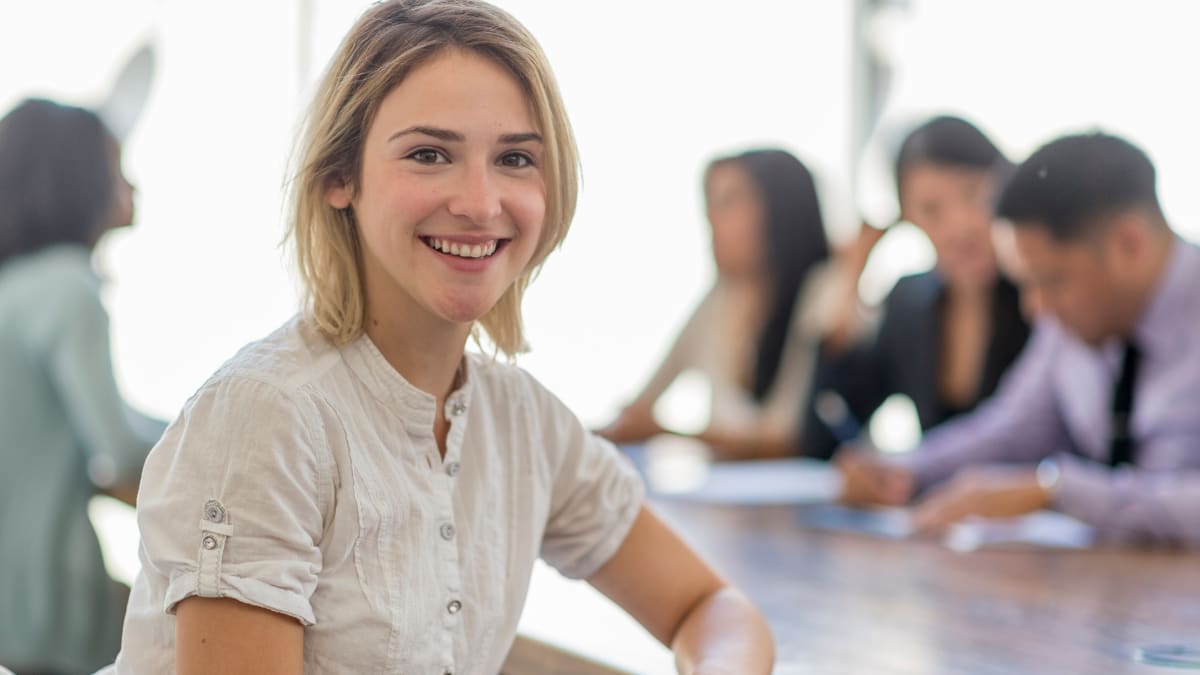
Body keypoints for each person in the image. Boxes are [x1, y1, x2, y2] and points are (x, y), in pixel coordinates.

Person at [113, 2, 774, 673]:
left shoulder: (524, 423)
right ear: (340, 177)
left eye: (515, 158)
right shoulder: (267, 417)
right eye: (430, 154)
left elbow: (713, 607)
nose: (480, 202)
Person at [839, 132, 1200, 546]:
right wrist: (904, 469)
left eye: (1051, 281)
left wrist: (1056, 491)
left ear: (1129, 244)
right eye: (1025, 284)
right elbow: (1010, 430)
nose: (1035, 307)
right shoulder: (1067, 326)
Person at [0, 99, 162, 674]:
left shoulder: (14, 288)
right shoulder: (70, 291)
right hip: (49, 596)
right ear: (78, 179)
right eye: (115, 167)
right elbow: (117, 450)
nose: (132, 184)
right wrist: (217, 441)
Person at [801, 116, 1031, 459]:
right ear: (908, 219)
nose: (959, 225)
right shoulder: (909, 303)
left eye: (974, 195)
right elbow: (824, 434)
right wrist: (852, 275)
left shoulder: (1044, 301)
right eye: (931, 210)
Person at [598, 149, 834, 459]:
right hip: (720, 497)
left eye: (728, 203)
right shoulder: (719, 299)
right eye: (710, 203)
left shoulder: (824, 290)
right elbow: (642, 406)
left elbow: (790, 439)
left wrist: (664, 433)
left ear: (779, 210)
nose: (711, 219)